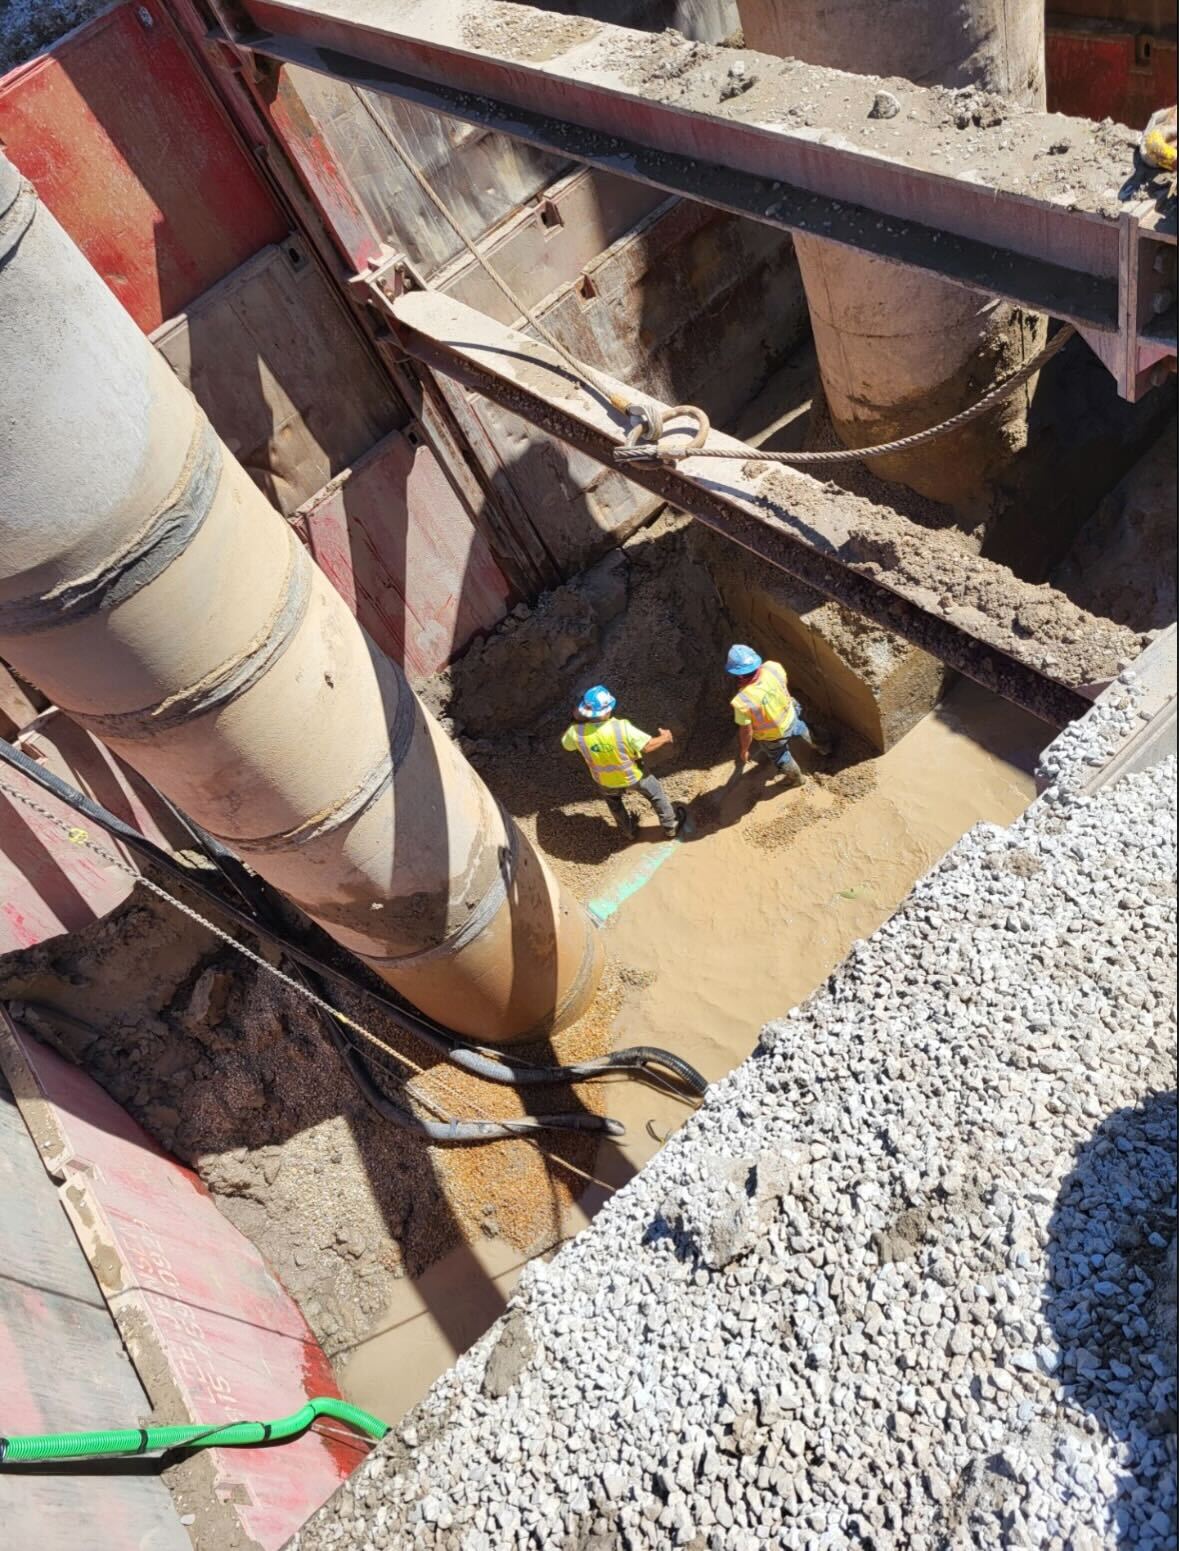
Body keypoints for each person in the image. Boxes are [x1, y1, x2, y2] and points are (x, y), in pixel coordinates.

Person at [561, 684, 683, 839]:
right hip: (634, 776)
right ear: (608, 709)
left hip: (604, 781)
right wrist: (665, 737)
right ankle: (670, 826)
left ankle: (629, 831)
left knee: (615, 804)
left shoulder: (575, 732)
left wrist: (575, 722)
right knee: (656, 794)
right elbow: (647, 746)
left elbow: (567, 746)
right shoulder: (621, 727)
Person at [725, 644, 829, 789]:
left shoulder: (743, 700)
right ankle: (825, 748)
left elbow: (746, 731)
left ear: (739, 674)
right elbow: (783, 687)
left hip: (772, 736)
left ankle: (797, 779)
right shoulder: (773, 667)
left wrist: (744, 749)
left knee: (781, 758)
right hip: (791, 715)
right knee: (805, 731)